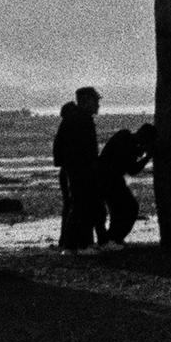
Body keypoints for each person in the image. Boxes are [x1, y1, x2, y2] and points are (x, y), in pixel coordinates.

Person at [52, 87, 102, 251]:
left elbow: (60, 148)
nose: (98, 105)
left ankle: (74, 244)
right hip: (80, 169)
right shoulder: (80, 120)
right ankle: (78, 245)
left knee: (79, 205)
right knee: (81, 205)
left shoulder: (75, 118)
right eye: (96, 101)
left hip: (75, 168)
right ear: (86, 101)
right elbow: (81, 149)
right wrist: (85, 165)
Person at [96, 122, 155, 245]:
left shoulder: (124, 136)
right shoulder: (129, 143)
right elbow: (132, 169)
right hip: (110, 179)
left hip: (105, 176)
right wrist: (147, 156)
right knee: (130, 208)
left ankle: (111, 238)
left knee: (117, 210)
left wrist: (141, 152)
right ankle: (113, 239)